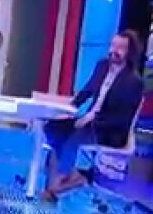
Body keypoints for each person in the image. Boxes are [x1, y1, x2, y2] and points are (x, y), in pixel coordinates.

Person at [40, 31, 145, 202]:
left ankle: (60, 184)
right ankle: (64, 178)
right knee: (53, 128)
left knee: (73, 139)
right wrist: (69, 109)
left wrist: (91, 120)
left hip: (109, 131)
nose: (114, 51)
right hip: (90, 121)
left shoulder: (134, 82)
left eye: (120, 48)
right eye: (113, 45)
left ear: (130, 52)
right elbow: (88, 90)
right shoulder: (102, 66)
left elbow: (122, 121)